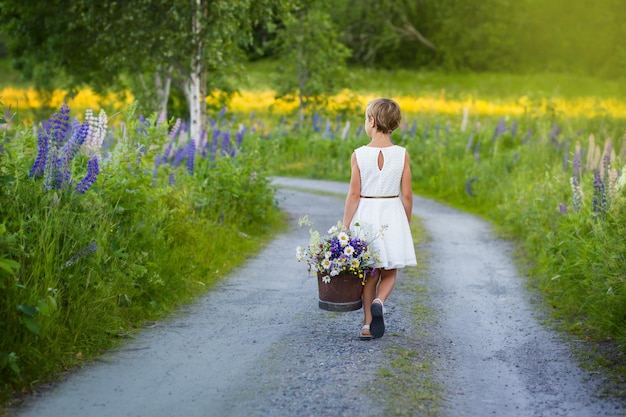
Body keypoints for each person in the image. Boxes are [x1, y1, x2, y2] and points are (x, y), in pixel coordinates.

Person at [342, 98, 417, 340]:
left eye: (366, 118)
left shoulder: (359, 155)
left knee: (369, 273)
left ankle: (366, 325)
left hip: (366, 215)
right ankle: (380, 301)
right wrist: (405, 223)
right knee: (389, 270)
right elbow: (406, 194)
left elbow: (353, 194)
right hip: (392, 213)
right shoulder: (402, 155)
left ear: (372, 121)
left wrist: (345, 227)